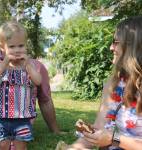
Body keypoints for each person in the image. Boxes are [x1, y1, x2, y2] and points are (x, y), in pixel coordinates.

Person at [57, 16, 142, 150]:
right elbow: (101, 128)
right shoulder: (113, 84)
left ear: (133, 46)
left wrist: (113, 139)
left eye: (115, 42)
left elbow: (111, 138)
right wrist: (75, 147)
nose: (110, 47)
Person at [0, 20, 43, 150]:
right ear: (3, 47)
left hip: (22, 117)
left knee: (21, 145)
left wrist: (28, 65)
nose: (17, 50)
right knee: (2, 145)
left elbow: (38, 81)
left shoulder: (28, 67)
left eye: (20, 46)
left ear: (26, 46)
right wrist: (4, 65)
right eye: (12, 47)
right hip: (0, 117)